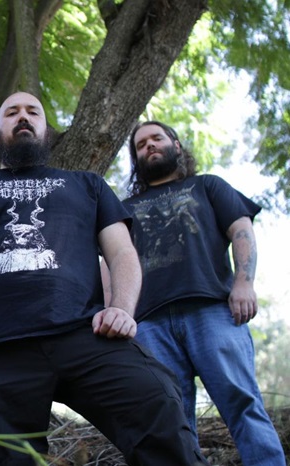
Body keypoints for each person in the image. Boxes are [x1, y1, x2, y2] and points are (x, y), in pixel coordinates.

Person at [0, 91, 208, 466]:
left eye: (33, 111)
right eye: (12, 112)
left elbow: (122, 252)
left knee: (157, 405)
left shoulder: (88, 184)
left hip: (86, 333)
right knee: (3, 454)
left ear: (46, 131)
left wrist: (121, 308)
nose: (23, 117)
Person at [122, 121, 286, 465]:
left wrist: (244, 283)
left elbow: (241, 228)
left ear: (176, 145)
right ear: (136, 159)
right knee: (171, 422)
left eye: (157, 138)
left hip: (212, 310)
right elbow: (114, 262)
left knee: (241, 401)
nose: (149, 145)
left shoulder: (207, 185)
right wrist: (119, 313)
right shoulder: (125, 208)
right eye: (141, 144)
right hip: (149, 324)